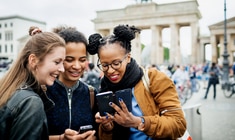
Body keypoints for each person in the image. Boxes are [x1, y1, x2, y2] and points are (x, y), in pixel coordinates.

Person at [87, 25, 186, 140]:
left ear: (128, 57)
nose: (110, 70)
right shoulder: (105, 87)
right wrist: (107, 127)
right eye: (104, 65)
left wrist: (138, 122)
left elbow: (178, 124)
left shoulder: (155, 78)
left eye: (116, 63)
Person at [0, 26, 66, 140]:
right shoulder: (31, 102)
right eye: (57, 62)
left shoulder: (9, 88)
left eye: (63, 62)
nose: (62, 69)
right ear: (33, 60)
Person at [45, 26, 98, 140]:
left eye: (82, 60)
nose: (77, 66)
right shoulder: (42, 92)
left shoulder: (91, 94)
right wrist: (60, 138)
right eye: (69, 60)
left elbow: (100, 133)